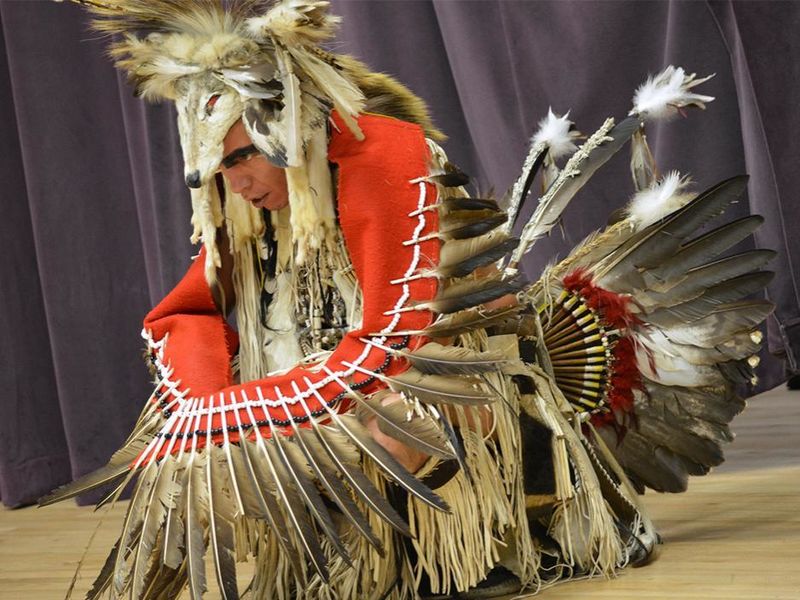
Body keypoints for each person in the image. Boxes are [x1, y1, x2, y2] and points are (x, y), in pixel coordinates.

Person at [43, 2, 773, 599]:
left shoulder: (384, 159)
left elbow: (392, 344)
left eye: (239, 156)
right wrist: (201, 414)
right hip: (344, 392)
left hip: (455, 394)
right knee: (187, 463)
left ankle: (482, 547)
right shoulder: (250, 212)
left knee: (398, 413)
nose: (230, 181)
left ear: (288, 130)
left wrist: (235, 416)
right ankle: (351, 560)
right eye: (211, 168)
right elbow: (183, 316)